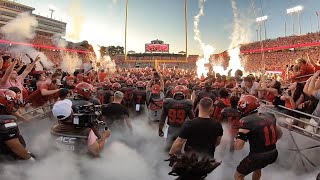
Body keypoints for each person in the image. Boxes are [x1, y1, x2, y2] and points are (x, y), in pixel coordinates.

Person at [234, 95, 283, 180]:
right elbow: (280, 133)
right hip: (273, 153)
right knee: (257, 167)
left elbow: (238, 147)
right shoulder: (269, 115)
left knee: (238, 175)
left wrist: (235, 141)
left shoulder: (246, 121)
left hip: (257, 156)